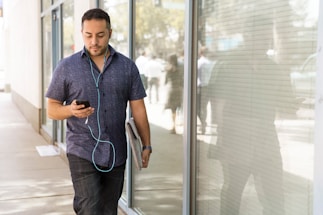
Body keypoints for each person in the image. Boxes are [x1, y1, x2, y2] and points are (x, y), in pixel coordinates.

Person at [45, 8, 151, 215]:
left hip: (116, 152)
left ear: (109, 33)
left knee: (108, 209)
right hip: (82, 149)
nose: (94, 41)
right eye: (88, 35)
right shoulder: (66, 67)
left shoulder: (127, 68)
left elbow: (139, 109)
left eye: (100, 35)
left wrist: (146, 144)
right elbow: (52, 109)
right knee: (89, 207)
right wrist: (70, 110)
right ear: (82, 33)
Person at [208, 14, 296, 215]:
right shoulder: (228, 64)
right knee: (234, 191)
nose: (266, 41)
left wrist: (294, 104)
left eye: (268, 37)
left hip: (267, 136)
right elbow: (218, 104)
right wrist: (221, 139)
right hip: (236, 136)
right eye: (262, 36)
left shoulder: (273, 68)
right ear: (248, 35)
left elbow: (284, 103)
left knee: (274, 193)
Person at [164, 53, 183, 134]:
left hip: (172, 90)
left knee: (173, 109)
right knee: (179, 107)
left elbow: (165, 82)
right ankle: (179, 122)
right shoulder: (181, 69)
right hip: (179, 90)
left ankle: (174, 126)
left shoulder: (168, 70)